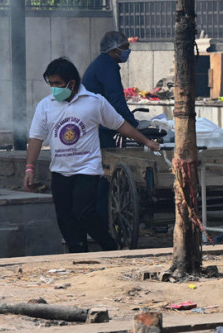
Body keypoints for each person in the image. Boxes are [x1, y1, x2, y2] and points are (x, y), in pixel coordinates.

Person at [24, 57, 161, 253]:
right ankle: (77, 251)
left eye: (58, 84)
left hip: (87, 168)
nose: (54, 88)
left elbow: (120, 124)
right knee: (64, 216)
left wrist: (146, 141)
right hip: (60, 169)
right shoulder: (46, 105)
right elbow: (36, 138)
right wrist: (29, 167)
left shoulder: (95, 102)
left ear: (71, 83)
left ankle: (108, 244)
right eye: (51, 84)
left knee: (83, 211)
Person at [82, 31, 137, 149]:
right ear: (114, 50)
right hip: (97, 127)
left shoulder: (102, 63)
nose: (128, 51)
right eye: (125, 48)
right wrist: (132, 123)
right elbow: (116, 99)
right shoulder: (107, 66)